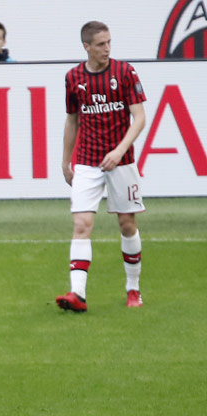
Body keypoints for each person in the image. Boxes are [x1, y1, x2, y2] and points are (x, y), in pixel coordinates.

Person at [58, 21, 146, 313]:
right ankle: (78, 295)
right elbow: (72, 120)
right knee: (81, 225)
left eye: (109, 42)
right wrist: (66, 160)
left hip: (121, 161)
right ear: (86, 47)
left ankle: (133, 289)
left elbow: (140, 117)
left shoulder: (124, 72)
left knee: (127, 224)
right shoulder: (73, 78)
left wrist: (119, 150)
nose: (107, 48)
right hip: (86, 161)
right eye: (100, 44)